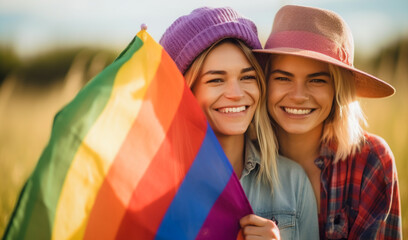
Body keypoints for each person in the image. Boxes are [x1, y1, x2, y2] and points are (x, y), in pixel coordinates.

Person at [160, 7, 319, 240]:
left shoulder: (292, 182)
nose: (236, 94)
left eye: (247, 77)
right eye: (216, 80)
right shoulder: (159, 186)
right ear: (185, 91)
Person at [254, 5, 402, 239]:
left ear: (338, 90)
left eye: (317, 80)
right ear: (265, 82)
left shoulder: (371, 161)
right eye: (283, 78)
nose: (298, 95)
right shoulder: (244, 159)